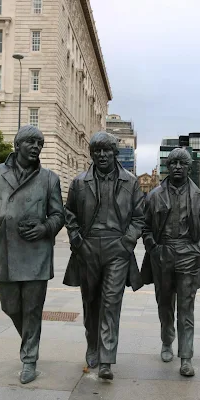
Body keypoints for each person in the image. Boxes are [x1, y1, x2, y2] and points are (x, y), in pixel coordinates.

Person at [0, 125, 65, 384]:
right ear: (17, 145)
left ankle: (29, 359)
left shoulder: (49, 179)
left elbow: (59, 215)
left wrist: (44, 228)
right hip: (5, 250)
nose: (36, 147)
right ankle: (29, 340)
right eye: (31, 142)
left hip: (36, 252)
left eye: (40, 143)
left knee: (33, 309)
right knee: (10, 306)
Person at [63, 131, 145, 380]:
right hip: (88, 248)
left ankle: (107, 359)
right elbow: (70, 215)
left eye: (106, 150)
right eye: (97, 151)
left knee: (111, 303)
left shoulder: (130, 182)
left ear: (115, 153)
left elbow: (139, 216)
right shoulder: (79, 182)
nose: (101, 155)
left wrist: (127, 242)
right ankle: (93, 346)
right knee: (91, 303)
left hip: (117, 249)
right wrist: (77, 241)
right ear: (92, 154)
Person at [141, 148, 200, 377]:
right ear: (167, 167)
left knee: (186, 308)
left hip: (188, 255)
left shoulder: (198, 196)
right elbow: (145, 227)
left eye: (182, 163)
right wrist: (153, 247)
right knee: (164, 305)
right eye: (173, 163)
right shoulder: (154, 196)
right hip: (163, 254)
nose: (178, 167)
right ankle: (166, 340)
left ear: (189, 167)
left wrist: (196, 250)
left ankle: (186, 357)